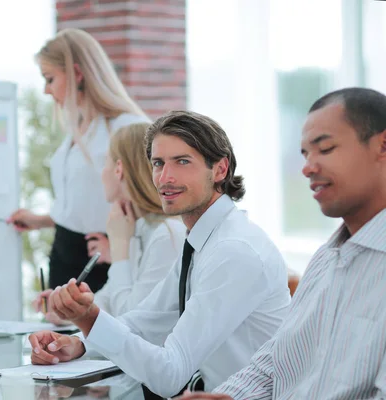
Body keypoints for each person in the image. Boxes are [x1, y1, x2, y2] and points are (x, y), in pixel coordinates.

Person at [28, 110, 291, 398]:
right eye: (158, 163)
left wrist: (90, 319)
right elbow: (145, 319)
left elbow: (169, 373)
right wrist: (78, 343)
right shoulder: (205, 239)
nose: (165, 178)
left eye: (182, 162)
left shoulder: (233, 250)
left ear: (220, 169)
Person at [178, 88, 386, 400]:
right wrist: (230, 398)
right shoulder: (326, 259)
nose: (307, 167)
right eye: (304, 154)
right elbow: (276, 361)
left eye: (325, 149)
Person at [7, 28, 149, 293]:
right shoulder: (80, 128)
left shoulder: (126, 128)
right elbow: (85, 202)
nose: (46, 90)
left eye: (50, 79)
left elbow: (153, 204)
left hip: (99, 262)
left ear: (77, 74)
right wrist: (41, 220)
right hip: (63, 256)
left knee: (96, 332)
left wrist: (121, 248)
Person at [34, 123, 185, 323]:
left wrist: (119, 247)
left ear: (119, 170)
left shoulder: (167, 236)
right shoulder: (136, 227)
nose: (101, 173)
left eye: (105, 162)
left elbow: (130, 320)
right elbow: (110, 301)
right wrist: (69, 310)